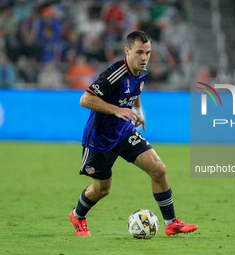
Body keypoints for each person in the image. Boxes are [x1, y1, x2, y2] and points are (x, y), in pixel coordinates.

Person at [69, 30, 198, 236]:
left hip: (125, 132)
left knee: (159, 169)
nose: (144, 57)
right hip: (99, 140)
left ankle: (171, 223)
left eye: (147, 52)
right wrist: (117, 110)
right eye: (139, 52)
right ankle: (78, 215)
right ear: (127, 51)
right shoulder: (114, 75)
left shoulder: (142, 72)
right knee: (102, 189)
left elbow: (135, 92)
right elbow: (85, 99)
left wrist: (138, 112)